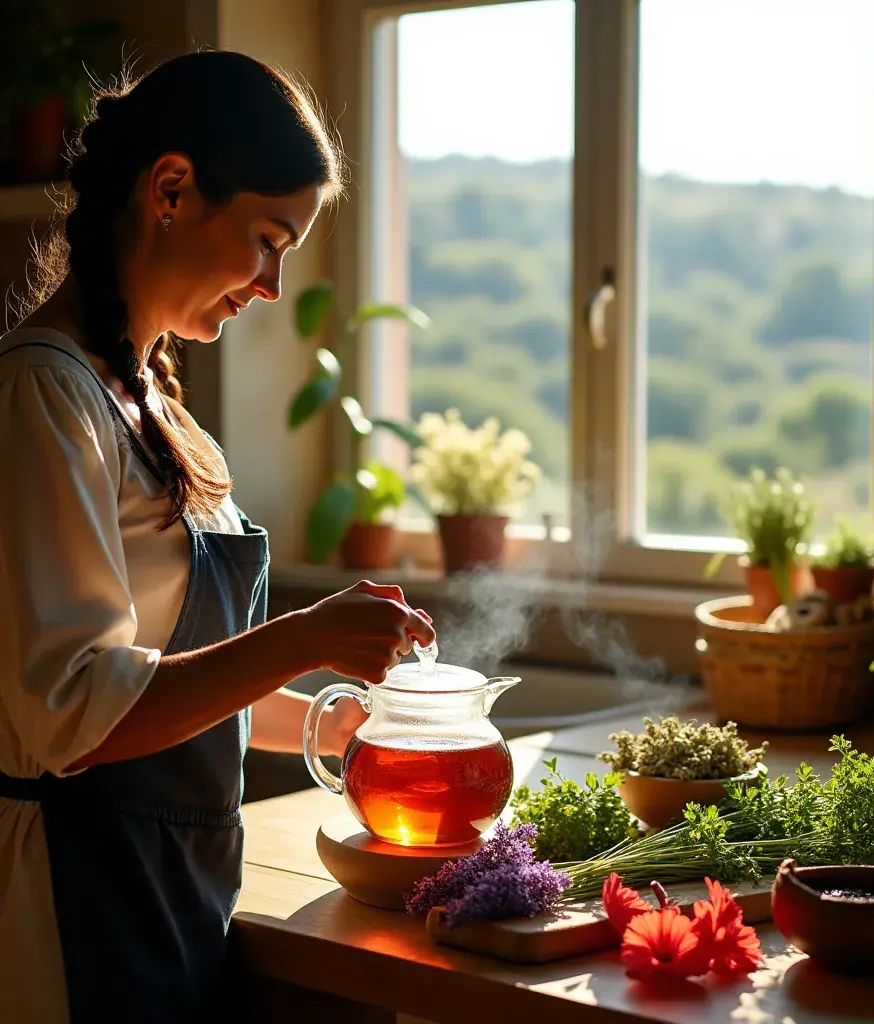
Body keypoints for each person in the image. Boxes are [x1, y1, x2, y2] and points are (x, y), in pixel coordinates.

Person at [0, 50, 435, 1023]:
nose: (274, 286)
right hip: (78, 894)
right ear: (171, 189)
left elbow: (181, 676)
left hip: (178, 878)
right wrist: (309, 635)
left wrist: (330, 721)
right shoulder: (44, 395)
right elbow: (79, 711)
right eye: (268, 239)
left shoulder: (157, 404)